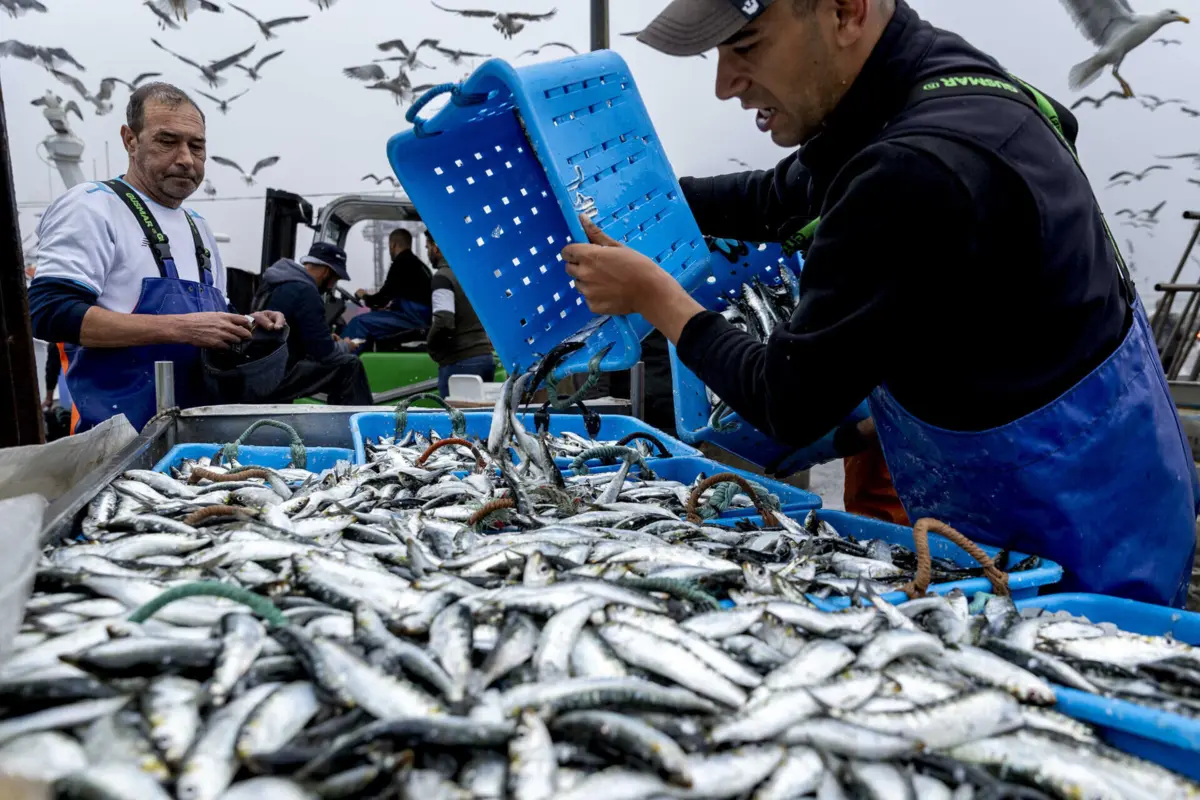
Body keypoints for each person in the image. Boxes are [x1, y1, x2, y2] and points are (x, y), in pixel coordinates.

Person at [561, 0, 1200, 606]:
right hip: (1122, 489)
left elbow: (788, 401)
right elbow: (778, 195)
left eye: (746, 44)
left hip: (1072, 547)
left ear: (846, 11)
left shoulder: (914, 168)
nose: (726, 84)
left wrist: (653, 294)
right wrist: (645, 207)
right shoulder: (934, 83)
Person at [28, 82, 284, 433]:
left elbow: (209, 327)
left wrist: (246, 324)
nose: (185, 159)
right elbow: (48, 313)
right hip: (116, 446)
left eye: (197, 146)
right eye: (167, 141)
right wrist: (182, 328)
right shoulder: (92, 205)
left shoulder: (199, 228)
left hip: (199, 441)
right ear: (130, 140)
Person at [253, 242, 374, 405]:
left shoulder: (277, 283)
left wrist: (324, 337)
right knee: (350, 366)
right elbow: (326, 354)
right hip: (279, 375)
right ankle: (359, 426)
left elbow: (293, 333)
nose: (332, 286)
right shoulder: (306, 291)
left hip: (262, 369)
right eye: (335, 279)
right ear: (326, 272)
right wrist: (346, 346)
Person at [425, 231, 495, 397]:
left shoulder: (442, 278)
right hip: (484, 357)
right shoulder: (470, 276)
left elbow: (444, 320)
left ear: (437, 248)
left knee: (455, 420)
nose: (428, 251)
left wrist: (432, 347)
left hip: (460, 362)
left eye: (427, 246)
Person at [345, 228, 433, 347]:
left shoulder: (402, 263)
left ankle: (339, 361)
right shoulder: (417, 264)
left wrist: (363, 295)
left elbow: (378, 301)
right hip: (418, 317)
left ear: (393, 245)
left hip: (412, 320)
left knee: (358, 323)